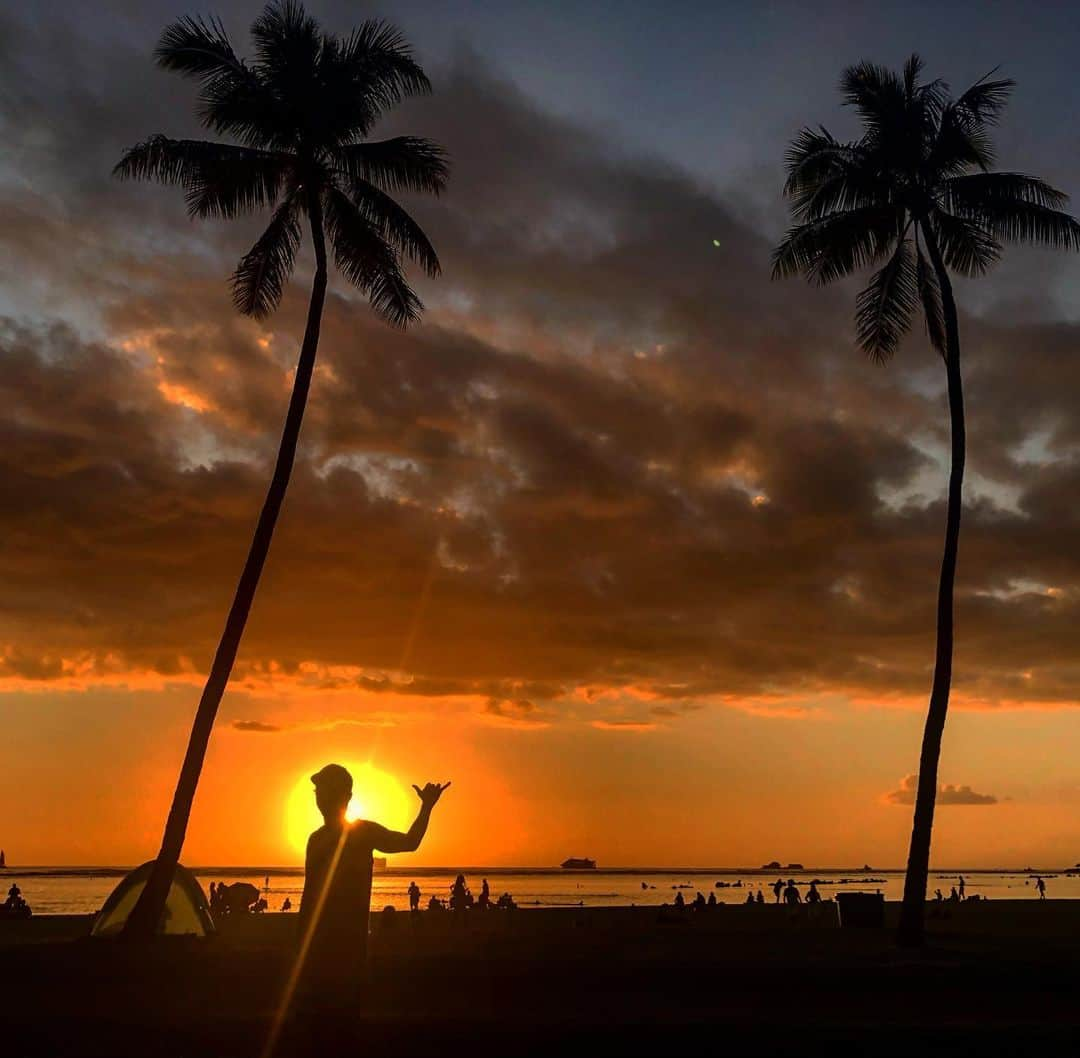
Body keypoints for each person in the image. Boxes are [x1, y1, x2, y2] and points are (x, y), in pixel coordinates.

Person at [298, 764, 450, 1003]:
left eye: (326, 789)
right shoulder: (315, 839)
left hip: (349, 951)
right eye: (318, 790)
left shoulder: (363, 832)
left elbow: (410, 842)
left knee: (343, 1018)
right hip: (316, 953)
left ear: (345, 796)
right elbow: (308, 898)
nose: (320, 796)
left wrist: (426, 807)